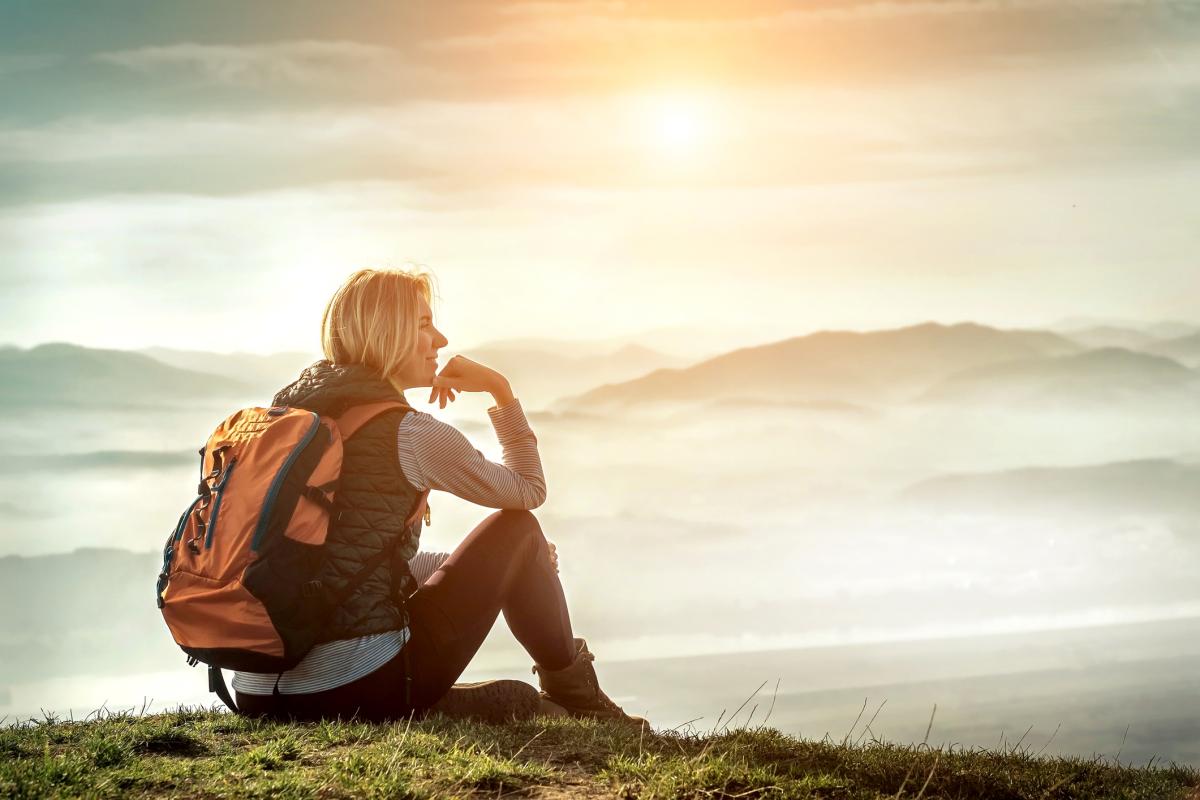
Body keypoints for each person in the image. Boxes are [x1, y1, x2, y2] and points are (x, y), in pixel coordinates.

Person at [231, 267, 647, 728]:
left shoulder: (290, 424)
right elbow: (528, 491)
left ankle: (461, 701)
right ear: (387, 332)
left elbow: (349, 562)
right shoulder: (406, 432)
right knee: (519, 530)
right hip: (347, 685)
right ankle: (583, 703)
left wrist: (489, 567)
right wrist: (499, 389)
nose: (441, 340)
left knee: (513, 561)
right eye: (425, 324)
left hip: (255, 688)